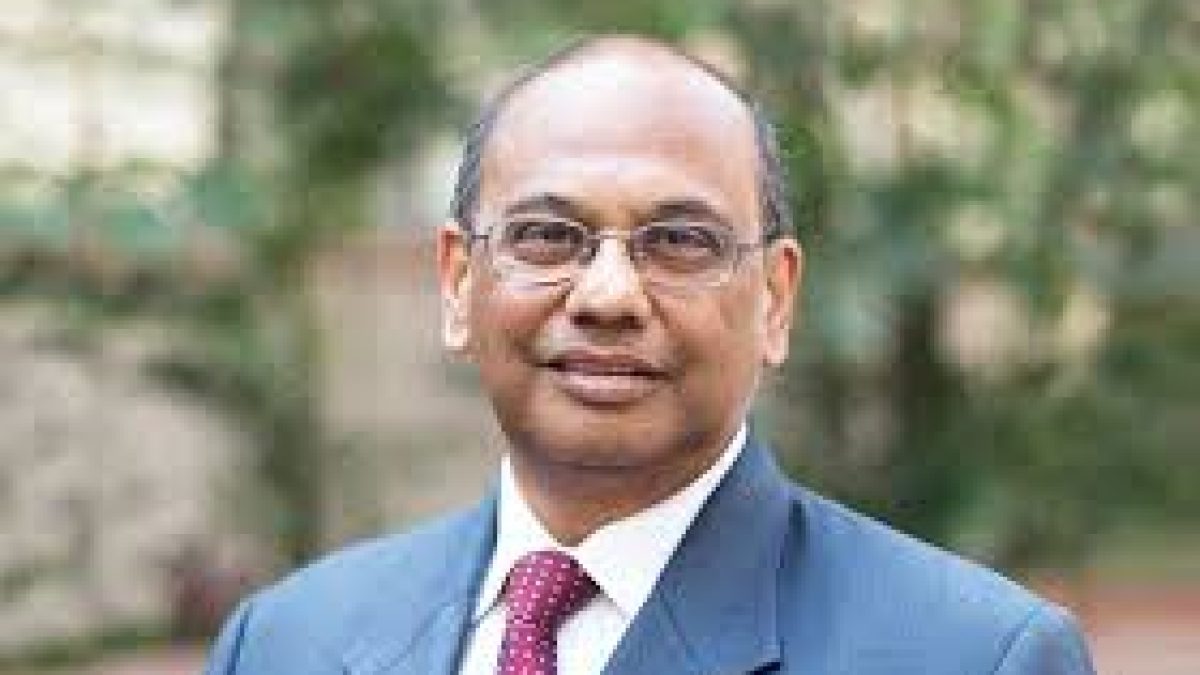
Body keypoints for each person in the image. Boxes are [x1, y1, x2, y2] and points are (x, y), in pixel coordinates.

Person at [204, 35, 1096, 675]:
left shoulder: (974, 655)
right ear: (457, 281)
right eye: (548, 235)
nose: (608, 295)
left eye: (679, 241)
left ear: (775, 297)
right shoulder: (285, 643)